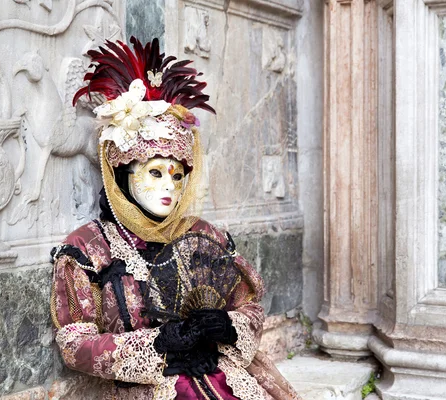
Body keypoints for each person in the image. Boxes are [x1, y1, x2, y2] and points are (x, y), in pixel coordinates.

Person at [50, 37, 302, 399]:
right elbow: (75, 342)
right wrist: (157, 346)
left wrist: (229, 327)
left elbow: (249, 305)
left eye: (177, 175)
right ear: (120, 172)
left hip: (226, 377)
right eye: (155, 173)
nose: (169, 186)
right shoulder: (88, 249)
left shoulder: (206, 236)